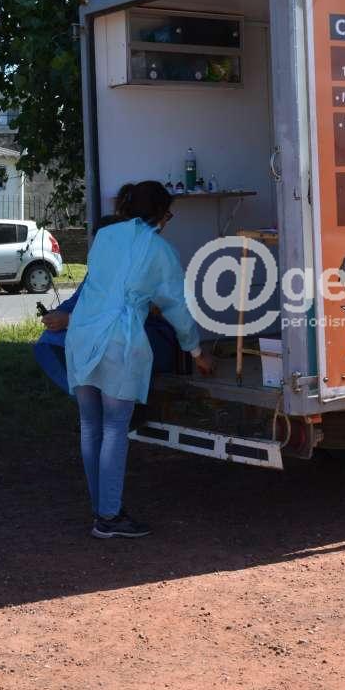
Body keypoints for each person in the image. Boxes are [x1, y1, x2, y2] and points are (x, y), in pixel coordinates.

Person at [65, 181, 214, 539]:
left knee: (90, 425)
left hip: (82, 333)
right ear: (161, 214)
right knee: (115, 427)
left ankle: (101, 508)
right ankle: (109, 515)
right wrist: (196, 351)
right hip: (119, 340)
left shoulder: (105, 236)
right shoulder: (160, 249)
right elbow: (177, 307)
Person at [34, 218, 179, 393]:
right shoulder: (99, 270)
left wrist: (70, 320)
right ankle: (86, 395)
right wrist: (57, 314)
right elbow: (78, 300)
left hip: (147, 336)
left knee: (105, 343)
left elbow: (121, 316)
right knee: (53, 340)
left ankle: (111, 398)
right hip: (102, 332)